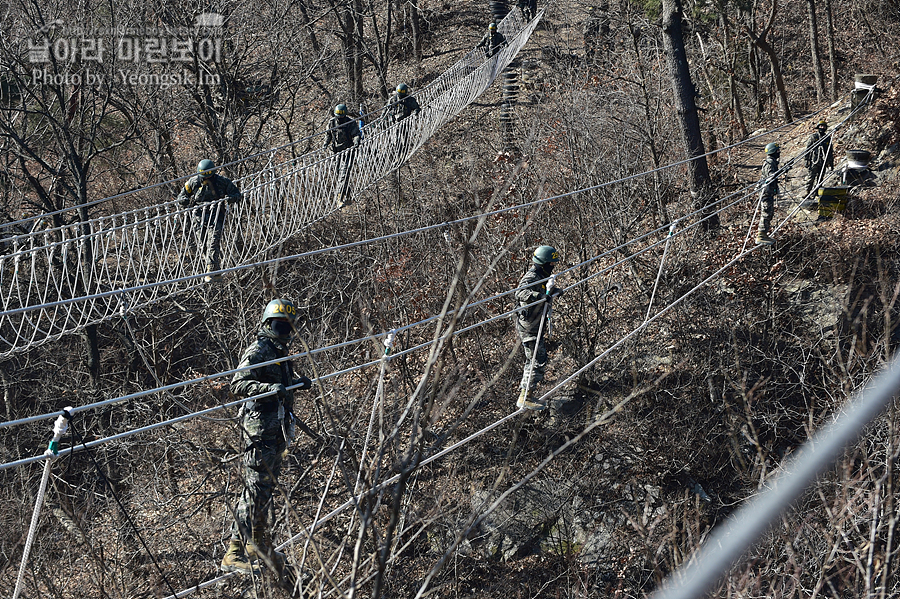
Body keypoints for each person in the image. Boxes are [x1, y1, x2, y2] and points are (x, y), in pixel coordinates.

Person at [221, 298, 313, 576]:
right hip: (259, 431)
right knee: (255, 488)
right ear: (266, 324)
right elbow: (238, 383)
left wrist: (297, 382)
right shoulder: (259, 349)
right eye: (279, 325)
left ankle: (257, 544)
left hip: (277, 430)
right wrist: (271, 387)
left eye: (287, 326)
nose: (284, 330)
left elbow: (281, 383)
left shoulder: (281, 351)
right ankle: (234, 551)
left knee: (268, 487)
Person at [515, 245, 563, 410]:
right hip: (529, 327)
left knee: (536, 359)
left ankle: (527, 394)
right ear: (543, 264)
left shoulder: (542, 276)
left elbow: (544, 291)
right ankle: (524, 396)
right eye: (550, 264)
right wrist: (541, 296)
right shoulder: (531, 277)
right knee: (537, 359)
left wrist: (553, 292)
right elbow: (520, 292)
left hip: (537, 324)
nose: (553, 267)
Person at [177, 159, 242, 282]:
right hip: (199, 218)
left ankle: (210, 271)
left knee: (213, 243)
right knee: (203, 245)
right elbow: (182, 195)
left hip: (216, 215)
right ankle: (216, 272)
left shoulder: (223, 182)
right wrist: (184, 200)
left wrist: (230, 198)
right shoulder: (193, 182)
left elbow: (237, 194)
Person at [323, 104, 361, 206]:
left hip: (348, 151)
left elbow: (356, 134)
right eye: (338, 116)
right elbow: (328, 135)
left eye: (341, 116)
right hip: (337, 152)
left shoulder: (350, 123)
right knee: (338, 173)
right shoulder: (332, 123)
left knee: (345, 173)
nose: (340, 118)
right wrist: (325, 144)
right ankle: (348, 194)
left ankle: (340, 197)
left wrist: (356, 141)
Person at [757, 142, 780, 245]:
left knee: (770, 213)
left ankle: (764, 234)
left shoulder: (773, 162)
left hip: (769, 192)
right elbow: (771, 176)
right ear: (773, 152)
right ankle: (761, 236)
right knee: (766, 213)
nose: (779, 153)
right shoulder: (769, 163)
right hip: (766, 192)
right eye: (777, 151)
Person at [805, 119, 834, 197]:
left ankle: (817, 192)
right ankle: (807, 192)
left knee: (820, 178)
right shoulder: (813, 137)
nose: (822, 127)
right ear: (818, 127)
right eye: (821, 126)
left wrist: (831, 164)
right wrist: (806, 160)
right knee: (811, 177)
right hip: (814, 160)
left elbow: (830, 152)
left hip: (823, 161)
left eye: (824, 126)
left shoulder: (827, 138)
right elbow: (808, 149)